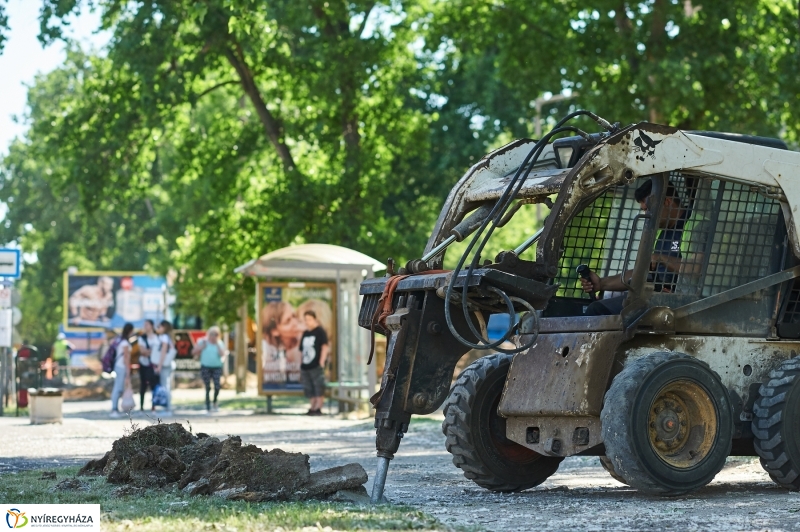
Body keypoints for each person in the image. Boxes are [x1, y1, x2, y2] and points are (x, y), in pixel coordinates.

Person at [580, 178, 707, 315]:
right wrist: (602, 283)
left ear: (667, 202)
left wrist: (661, 258)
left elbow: (697, 268)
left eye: (648, 209)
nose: (647, 215)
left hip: (683, 303)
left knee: (597, 310)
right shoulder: (660, 231)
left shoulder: (696, 226)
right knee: (598, 305)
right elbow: (642, 271)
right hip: (655, 296)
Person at [261, 301, 302, 384]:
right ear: (274, 331)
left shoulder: (304, 338)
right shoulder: (268, 349)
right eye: (288, 321)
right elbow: (272, 380)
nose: (295, 322)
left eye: (294, 316)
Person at [299, 310, 329, 416]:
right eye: (305, 319)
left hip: (316, 364)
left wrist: (321, 362)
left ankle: (318, 407)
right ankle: (312, 407)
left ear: (314, 319)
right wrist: (301, 362)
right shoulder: (306, 333)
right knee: (309, 387)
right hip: (306, 365)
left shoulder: (320, 331)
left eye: (309, 319)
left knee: (318, 386)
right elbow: (301, 350)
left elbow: (324, 347)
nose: (307, 322)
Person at [193, 325, 228, 413]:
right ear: (209, 334)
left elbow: (223, 355)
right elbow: (194, 352)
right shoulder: (203, 341)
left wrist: (217, 345)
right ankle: (208, 405)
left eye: (216, 334)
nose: (214, 336)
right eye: (212, 334)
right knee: (207, 386)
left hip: (217, 367)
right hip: (205, 366)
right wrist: (202, 347)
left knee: (217, 386)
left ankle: (215, 402)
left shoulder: (219, 343)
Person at [110, 323, 134, 418]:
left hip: (118, 366)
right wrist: (128, 372)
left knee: (119, 387)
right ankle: (114, 409)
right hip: (122, 367)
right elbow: (126, 358)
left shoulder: (120, 340)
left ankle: (116, 408)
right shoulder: (125, 343)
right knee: (118, 388)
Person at [155, 320, 177, 415]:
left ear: (164, 327)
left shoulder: (164, 337)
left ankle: (168, 408)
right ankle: (168, 407)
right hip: (169, 364)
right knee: (167, 386)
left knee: (165, 386)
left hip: (165, 364)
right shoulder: (169, 337)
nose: (158, 328)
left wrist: (159, 365)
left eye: (159, 326)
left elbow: (163, 351)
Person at [137, 319, 160, 411]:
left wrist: (150, 351)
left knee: (154, 385)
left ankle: (153, 406)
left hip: (155, 364)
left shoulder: (158, 337)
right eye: (144, 325)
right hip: (144, 364)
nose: (145, 326)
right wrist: (153, 351)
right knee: (143, 384)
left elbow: (160, 351)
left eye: (147, 325)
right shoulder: (142, 338)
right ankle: (142, 406)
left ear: (151, 325)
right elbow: (143, 352)